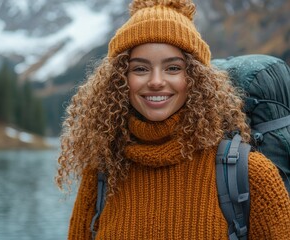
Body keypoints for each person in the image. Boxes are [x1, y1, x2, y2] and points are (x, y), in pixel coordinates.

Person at [56, 0, 290, 239]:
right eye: (140, 69)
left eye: (173, 68)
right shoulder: (101, 175)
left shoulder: (251, 175)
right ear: (119, 80)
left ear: (196, 78)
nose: (156, 81)